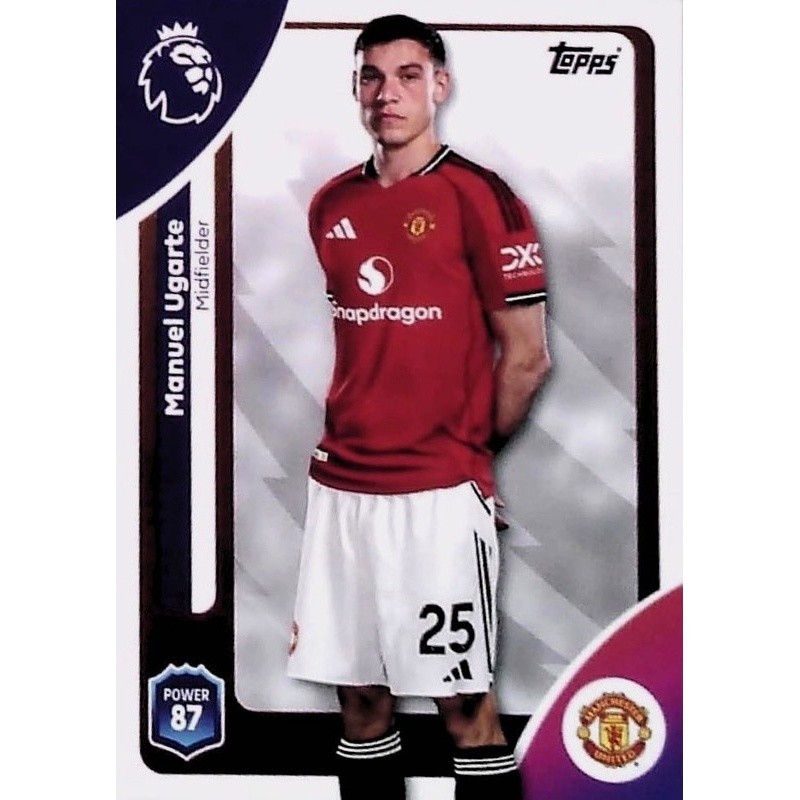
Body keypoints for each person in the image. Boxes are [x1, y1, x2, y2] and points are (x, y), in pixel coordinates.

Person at [287, 14, 551, 800]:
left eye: (408, 75)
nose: (388, 93)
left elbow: (527, 358)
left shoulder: (483, 197)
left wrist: (467, 456)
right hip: (342, 489)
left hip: (438, 494)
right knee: (361, 705)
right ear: (355, 89)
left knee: (464, 708)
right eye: (371, 76)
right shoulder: (331, 203)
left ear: (440, 84)